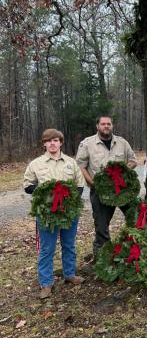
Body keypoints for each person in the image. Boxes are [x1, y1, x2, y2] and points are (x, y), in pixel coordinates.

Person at [23, 129, 85, 299]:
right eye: (48, 141)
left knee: (69, 245)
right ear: (44, 144)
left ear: (61, 142)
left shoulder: (71, 163)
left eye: (55, 140)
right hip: (47, 214)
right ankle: (46, 283)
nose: (52, 143)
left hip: (68, 213)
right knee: (47, 248)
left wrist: (69, 201)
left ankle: (70, 274)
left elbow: (79, 185)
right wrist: (46, 192)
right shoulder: (36, 164)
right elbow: (28, 185)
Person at [76, 116, 137, 258]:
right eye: (103, 124)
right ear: (97, 126)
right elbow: (80, 166)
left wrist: (123, 172)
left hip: (123, 190)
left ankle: (133, 249)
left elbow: (133, 161)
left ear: (112, 126)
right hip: (100, 192)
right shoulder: (87, 144)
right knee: (101, 226)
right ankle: (102, 257)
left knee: (136, 217)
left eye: (108, 124)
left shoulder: (121, 142)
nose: (106, 126)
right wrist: (93, 183)